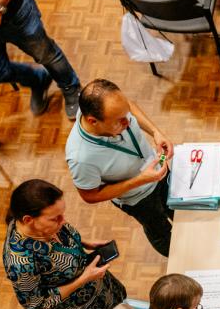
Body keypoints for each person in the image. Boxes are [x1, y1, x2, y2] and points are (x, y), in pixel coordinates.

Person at [3, 179, 125, 309]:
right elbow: (34, 303)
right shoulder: (20, 263)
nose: (64, 221)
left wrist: (85, 242)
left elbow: (62, 240)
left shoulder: (46, 224)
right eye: (55, 218)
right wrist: (84, 279)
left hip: (98, 284)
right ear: (28, 220)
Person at [65, 79, 175, 257]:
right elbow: (90, 195)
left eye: (126, 116)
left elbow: (129, 106)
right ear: (93, 121)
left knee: (180, 209)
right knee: (160, 230)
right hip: (140, 200)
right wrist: (140, 180)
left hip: (160, 173)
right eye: (119, 121)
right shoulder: (81, 158)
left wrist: (155, 132)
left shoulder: (112, 110)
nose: (128, 122)